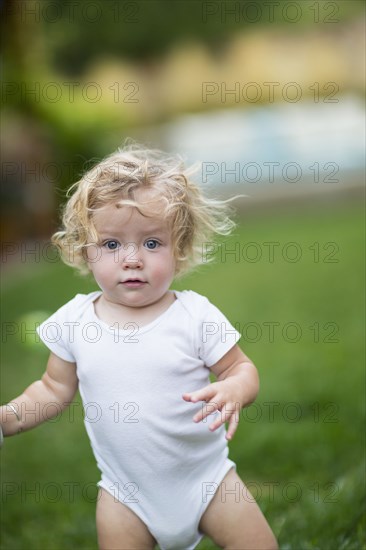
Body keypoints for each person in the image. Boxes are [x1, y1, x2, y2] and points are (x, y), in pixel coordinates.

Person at [0, 143, 278, 550]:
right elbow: (52, 389)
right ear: (86, 250)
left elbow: (241, 369)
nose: (132, 259)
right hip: (124, 495)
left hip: (209, 481)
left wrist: (234, 388)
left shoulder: (194, 316)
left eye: (151, 244)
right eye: (112, 245)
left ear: (177, 249)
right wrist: (7, 419)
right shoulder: (75, 322)